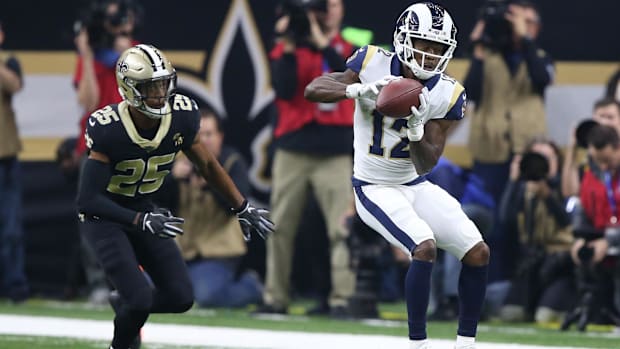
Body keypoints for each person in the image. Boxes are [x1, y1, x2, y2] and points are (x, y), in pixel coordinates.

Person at [305, 3, 489, 348]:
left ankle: (466, 343)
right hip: (373, 187)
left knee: (477, 251)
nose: (430, 55)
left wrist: (417, 130)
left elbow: (426, 164)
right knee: (424, 247)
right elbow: (313, 89)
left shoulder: (448, 93)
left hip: (415, 183)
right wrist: (354, 90)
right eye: (424, 44)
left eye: (438, 49)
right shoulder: (371, 62)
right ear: (403, 39)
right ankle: (417, 344)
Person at [76, 44, 273, 349]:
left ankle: (126, 306)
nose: (159, 93)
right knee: (140, 299)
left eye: (163, 84)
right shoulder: (109, 129)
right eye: (150, 87)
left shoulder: (181, 115)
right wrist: (140, 220)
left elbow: (207, 164)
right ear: (129, 89)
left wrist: (242, 206)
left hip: (144, 210)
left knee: (181, 298)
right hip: (106, 217)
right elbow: (87, 201)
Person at [257, 0, 356, 316]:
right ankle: (276, 297)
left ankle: (343, 299)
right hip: (293, 148)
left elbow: (346, 77)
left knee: (341, 227)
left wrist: (321, 40)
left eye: (329, 5)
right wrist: (288, 42)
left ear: (339, 10)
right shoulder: (288, 47)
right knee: (280, 225)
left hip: (335, 150)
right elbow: (284, 90)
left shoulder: (350, 46)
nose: (324, 12)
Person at [172, 109, 262, 308]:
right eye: (199, 134)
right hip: (183, 251)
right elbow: (156, 201)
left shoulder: (232, 162)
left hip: (219, 253)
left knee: (206, 297)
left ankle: (251, 286)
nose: (204, 140)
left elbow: (238, 207)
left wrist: (212, 183)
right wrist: (172, 178)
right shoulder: (178, 160)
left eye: (209, 134)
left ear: (220, 137)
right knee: (153, 288)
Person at [497, 137, 575, 324]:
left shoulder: (565, 185)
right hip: (531, 265)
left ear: (557, 162)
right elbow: (505, 219)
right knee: (511, 314)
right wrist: (513, 181)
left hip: (559, 264)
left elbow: (568, 221)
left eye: (546, 158)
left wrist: (548, 196)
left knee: (546, 317)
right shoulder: (524, 189)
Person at [0, 21, 28, 303]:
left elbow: (15, 85)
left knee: (10, 229)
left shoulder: (8, 62)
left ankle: (16, 287)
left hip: (5, 157)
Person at [562, 98, 620, 198]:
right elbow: (570, 192)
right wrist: (573, 147)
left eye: (610, 117)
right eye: (601, 117)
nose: (604, 122)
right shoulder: (590, 161)